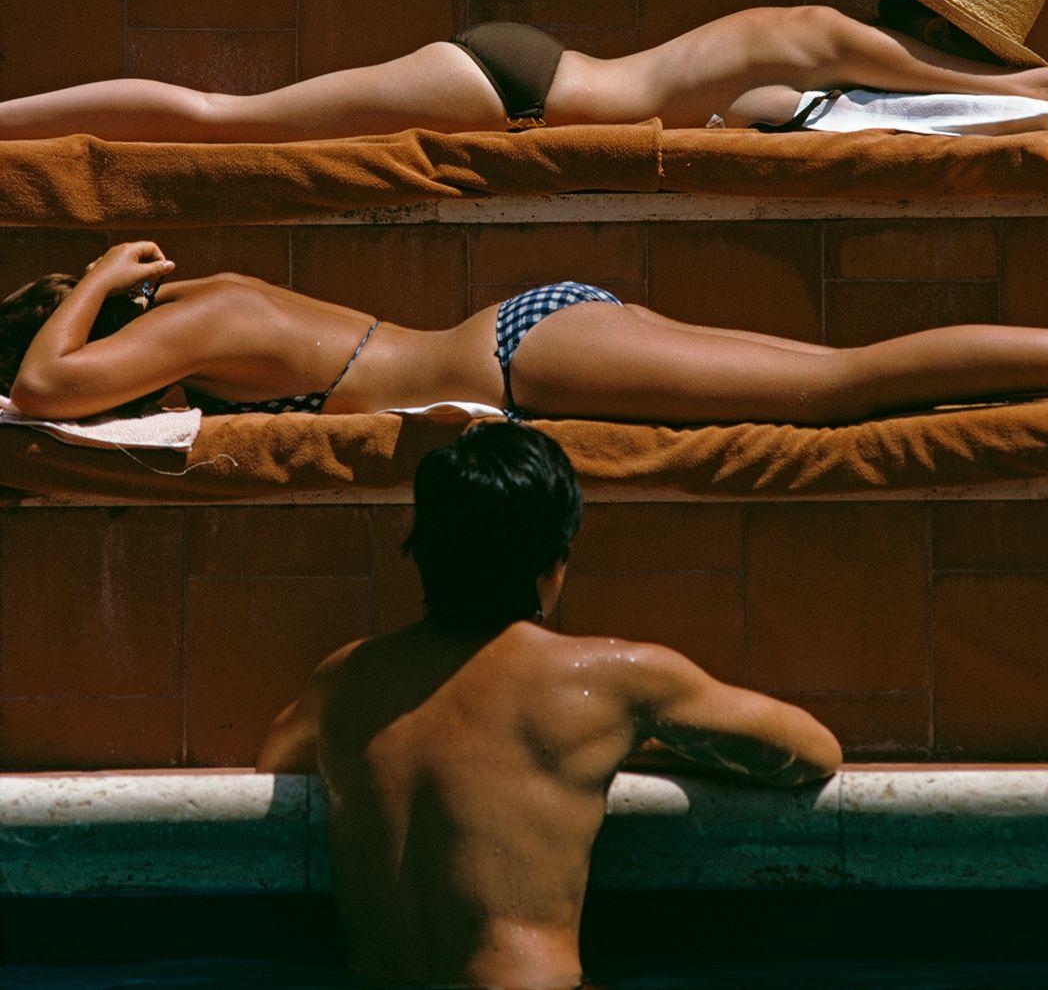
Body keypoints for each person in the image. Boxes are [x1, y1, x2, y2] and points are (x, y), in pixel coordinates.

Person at [255, 421, 842, 988]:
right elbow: (813, 752)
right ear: (553, 567)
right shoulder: (611, 682)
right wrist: (637, 744)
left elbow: (276, 762)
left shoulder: (346, 678)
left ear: (422, 550)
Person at [0, 0, 1048, 140]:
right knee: (222, 121)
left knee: (225, 120)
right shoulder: (827, 33)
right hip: (514, 87)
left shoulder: (820, 65)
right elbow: (1036, 93)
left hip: (525, 79)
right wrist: (1034, 94)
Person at [6, 236, 1048, 427]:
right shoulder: (220, 299)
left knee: (841, 383)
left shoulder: (207, 321)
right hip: (532, 336)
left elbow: (47, 390)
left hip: (526, 356)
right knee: (837, 379)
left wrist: (94, 277)